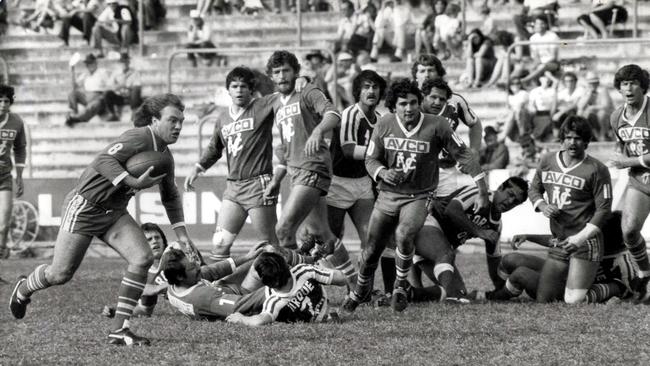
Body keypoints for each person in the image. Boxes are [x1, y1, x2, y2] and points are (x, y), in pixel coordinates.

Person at [9, 94, 197, 346]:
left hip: (114, 211)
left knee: (142, 257)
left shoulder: (165, 156)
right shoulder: (139, 136)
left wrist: (183, 236)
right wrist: (132, 181)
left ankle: (120, 329)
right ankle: (24, 288)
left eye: (181, 121)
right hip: (86, 206)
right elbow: (103, 160)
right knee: (60, 273)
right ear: (154, 120)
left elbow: (171, 196)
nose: (178, 126)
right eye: (172, 120)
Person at [339, 79, 488, 315]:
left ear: (419, 103)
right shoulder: (385, 123)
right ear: (393, 107)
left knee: (405, 233)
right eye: (402, 104)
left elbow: (463, 154)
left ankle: (400, 285)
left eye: (413, 103)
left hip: (419, 195)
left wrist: (481, 187)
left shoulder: (438, 125)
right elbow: (370, 159)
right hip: (388, 195)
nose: (408, 108)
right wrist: (384, 172)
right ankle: (359, 291)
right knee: (371, 251)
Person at [184, 67, 279, 262]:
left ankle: (292, 282)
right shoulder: (223, 118)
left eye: (244, 86)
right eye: (234, 86)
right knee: (219, 244)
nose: (239, 90)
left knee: (268, 245)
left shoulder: (263, 105)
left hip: (258, 185)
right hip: (233, 188)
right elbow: (214, 147)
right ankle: (219, 290)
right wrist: (198, 167)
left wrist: (301, 81)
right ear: (228, 90)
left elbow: (285, 96)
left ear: (251, 89)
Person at [528, 116, 612, 303]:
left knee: (573, 300)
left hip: (585, 241)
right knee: (545, 299)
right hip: (560, 240)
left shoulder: (597, 169)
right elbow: (534, 189)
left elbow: (604, 210)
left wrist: (579, 238)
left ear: (586, 141)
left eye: (578, 138)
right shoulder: (547, 161)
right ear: (562, 139)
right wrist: (542, 205)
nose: (572, 142)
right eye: (568, 137)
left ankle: (616, 288)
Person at [413, 177, 528, 302]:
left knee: (459, 292)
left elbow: (494, 260)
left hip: (439, 249)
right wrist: (479, 231)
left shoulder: (496, 225)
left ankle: (411, 293)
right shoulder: (481, 194)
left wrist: (505, 288)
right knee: (446, 255)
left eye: (515, 201)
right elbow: (451, 209)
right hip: (426, 226)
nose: (510, 201)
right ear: (500, 188)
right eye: (510, 194)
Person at [490, 211, 637, 304]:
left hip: (565, 289)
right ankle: (497, 290)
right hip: (561, 274)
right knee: (511, 259)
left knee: (521, 274)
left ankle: (494, 297)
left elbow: (626, 289)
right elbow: (558, 241)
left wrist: (588, 297)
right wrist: (528, 236)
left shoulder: (621, 263)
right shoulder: (590, 239)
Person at [327, 70, 387, 287]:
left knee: (371, 240)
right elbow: (349, 150)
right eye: (366, 87)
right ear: (357, 92)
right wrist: (381, 154)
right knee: (329, 240)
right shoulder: (351, 114)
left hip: (362, 183)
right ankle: (327, 281)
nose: (371, 91)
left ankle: (363, 291)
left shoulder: (381, 120)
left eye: (375, 87)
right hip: (337, 182)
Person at [608, 64, 650, 302]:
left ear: (643, 86)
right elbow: (621, 145)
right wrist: (618, 157)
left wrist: (629, 160)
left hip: (637, 168)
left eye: (634, 82)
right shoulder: (616, 117)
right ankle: (645, 275)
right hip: (641, 178)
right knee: (629, 230)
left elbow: (629, 157)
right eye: (624, 83)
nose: (629, 88)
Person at [225, 252, 347, 325]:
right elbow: (342, 279)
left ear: (267, 283)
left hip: (318, 317)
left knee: (243, 302)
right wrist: (324, 267)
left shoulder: (273, 301)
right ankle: (309, 254)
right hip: (325, 308)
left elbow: (259, 321)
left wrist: (241, 318)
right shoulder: (304, 271)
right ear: (287, 266)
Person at [0, 85, 27, 273]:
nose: (2, 104)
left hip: (4, 177)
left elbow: (20, 149)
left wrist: (19, 176)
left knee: (4, 224)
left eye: (6, 101)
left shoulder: (16, 121)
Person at [66, 53, 113, 126]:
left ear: (95, 63)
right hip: (87, 96)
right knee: (72, 93)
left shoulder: (102, 72)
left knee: (95, 104)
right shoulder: (85, 74)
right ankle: (74, 113)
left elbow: (110, 85)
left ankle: (78, 118)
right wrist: (72, 71)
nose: (89, 65)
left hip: (99, 97)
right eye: (88, 64)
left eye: (91, 63)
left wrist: (102, 95)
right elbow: (74, 86)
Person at [104, 52, 143, 119]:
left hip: (130, 97)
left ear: (129, 62)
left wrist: (125, 85)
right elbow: (109, 86)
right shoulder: (116, 73)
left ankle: (134, 112)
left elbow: (137, 85)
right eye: (122, 62)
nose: (124, 63)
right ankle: (112, 114)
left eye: (126, 61)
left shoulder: (135, 72)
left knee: (136, 89)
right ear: (120, 63)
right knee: (107, 94)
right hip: (119, 96)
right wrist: (120, 85)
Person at [577, 71, 613, 141]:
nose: (592, 85)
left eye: (594, 83)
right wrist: (589, 95)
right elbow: (580, 106)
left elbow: (605, 106)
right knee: (580, 112)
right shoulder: (586, 91)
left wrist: (592, 108)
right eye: (590, 83)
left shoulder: (603, 90)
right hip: (591, 113)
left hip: (603, 113)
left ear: (597, 83)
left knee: (601, 113)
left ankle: (603, 134)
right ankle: (585, 135)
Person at [527, 74, 556, 143]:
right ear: (540, 79)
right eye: (544, 77)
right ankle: (536, 136)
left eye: (548, 78)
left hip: (549, 113)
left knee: (547, 120)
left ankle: (534, 136)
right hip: (538, 113)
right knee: (542, 121)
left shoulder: (552, 91)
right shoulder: (535, 91)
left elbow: (554, 105)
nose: (546, 79)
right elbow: (531, 105)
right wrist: (533, 110)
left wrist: (551, 116)